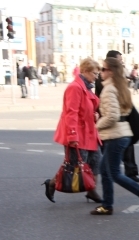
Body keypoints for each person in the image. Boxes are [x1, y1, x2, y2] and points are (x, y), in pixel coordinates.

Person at [91, 57, 139, 217]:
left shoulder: (109, 90)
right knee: (104, 170)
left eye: (103, 69)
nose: (101, 72)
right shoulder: (120, 87)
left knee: (114, 174)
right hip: (120, 134)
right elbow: (125, 112)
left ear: (111, 71)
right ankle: (107, 205)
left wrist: (95, 126)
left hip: (116, 135)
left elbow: (112, 116)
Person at [42, 57, 102, 204]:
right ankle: (52, 184)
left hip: (89, 132)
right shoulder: (75, 87)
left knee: (95, 162)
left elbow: (88, 108)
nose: (97, 77)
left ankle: (91, 190)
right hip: (78, 133)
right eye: (94, 73)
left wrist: (95, 115)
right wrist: (72, 135)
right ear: (86, 71)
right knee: (74, 165)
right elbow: (71, 113)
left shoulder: (86, 86)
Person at [96, 50, 139, 183]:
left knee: (110, 169)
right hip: (113, 124)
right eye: (119, 59)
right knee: (109, 168)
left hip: (117, 125)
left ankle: (131, 175)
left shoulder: (118, 81)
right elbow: (106, 105)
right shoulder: (106, 83)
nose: (121, 61)